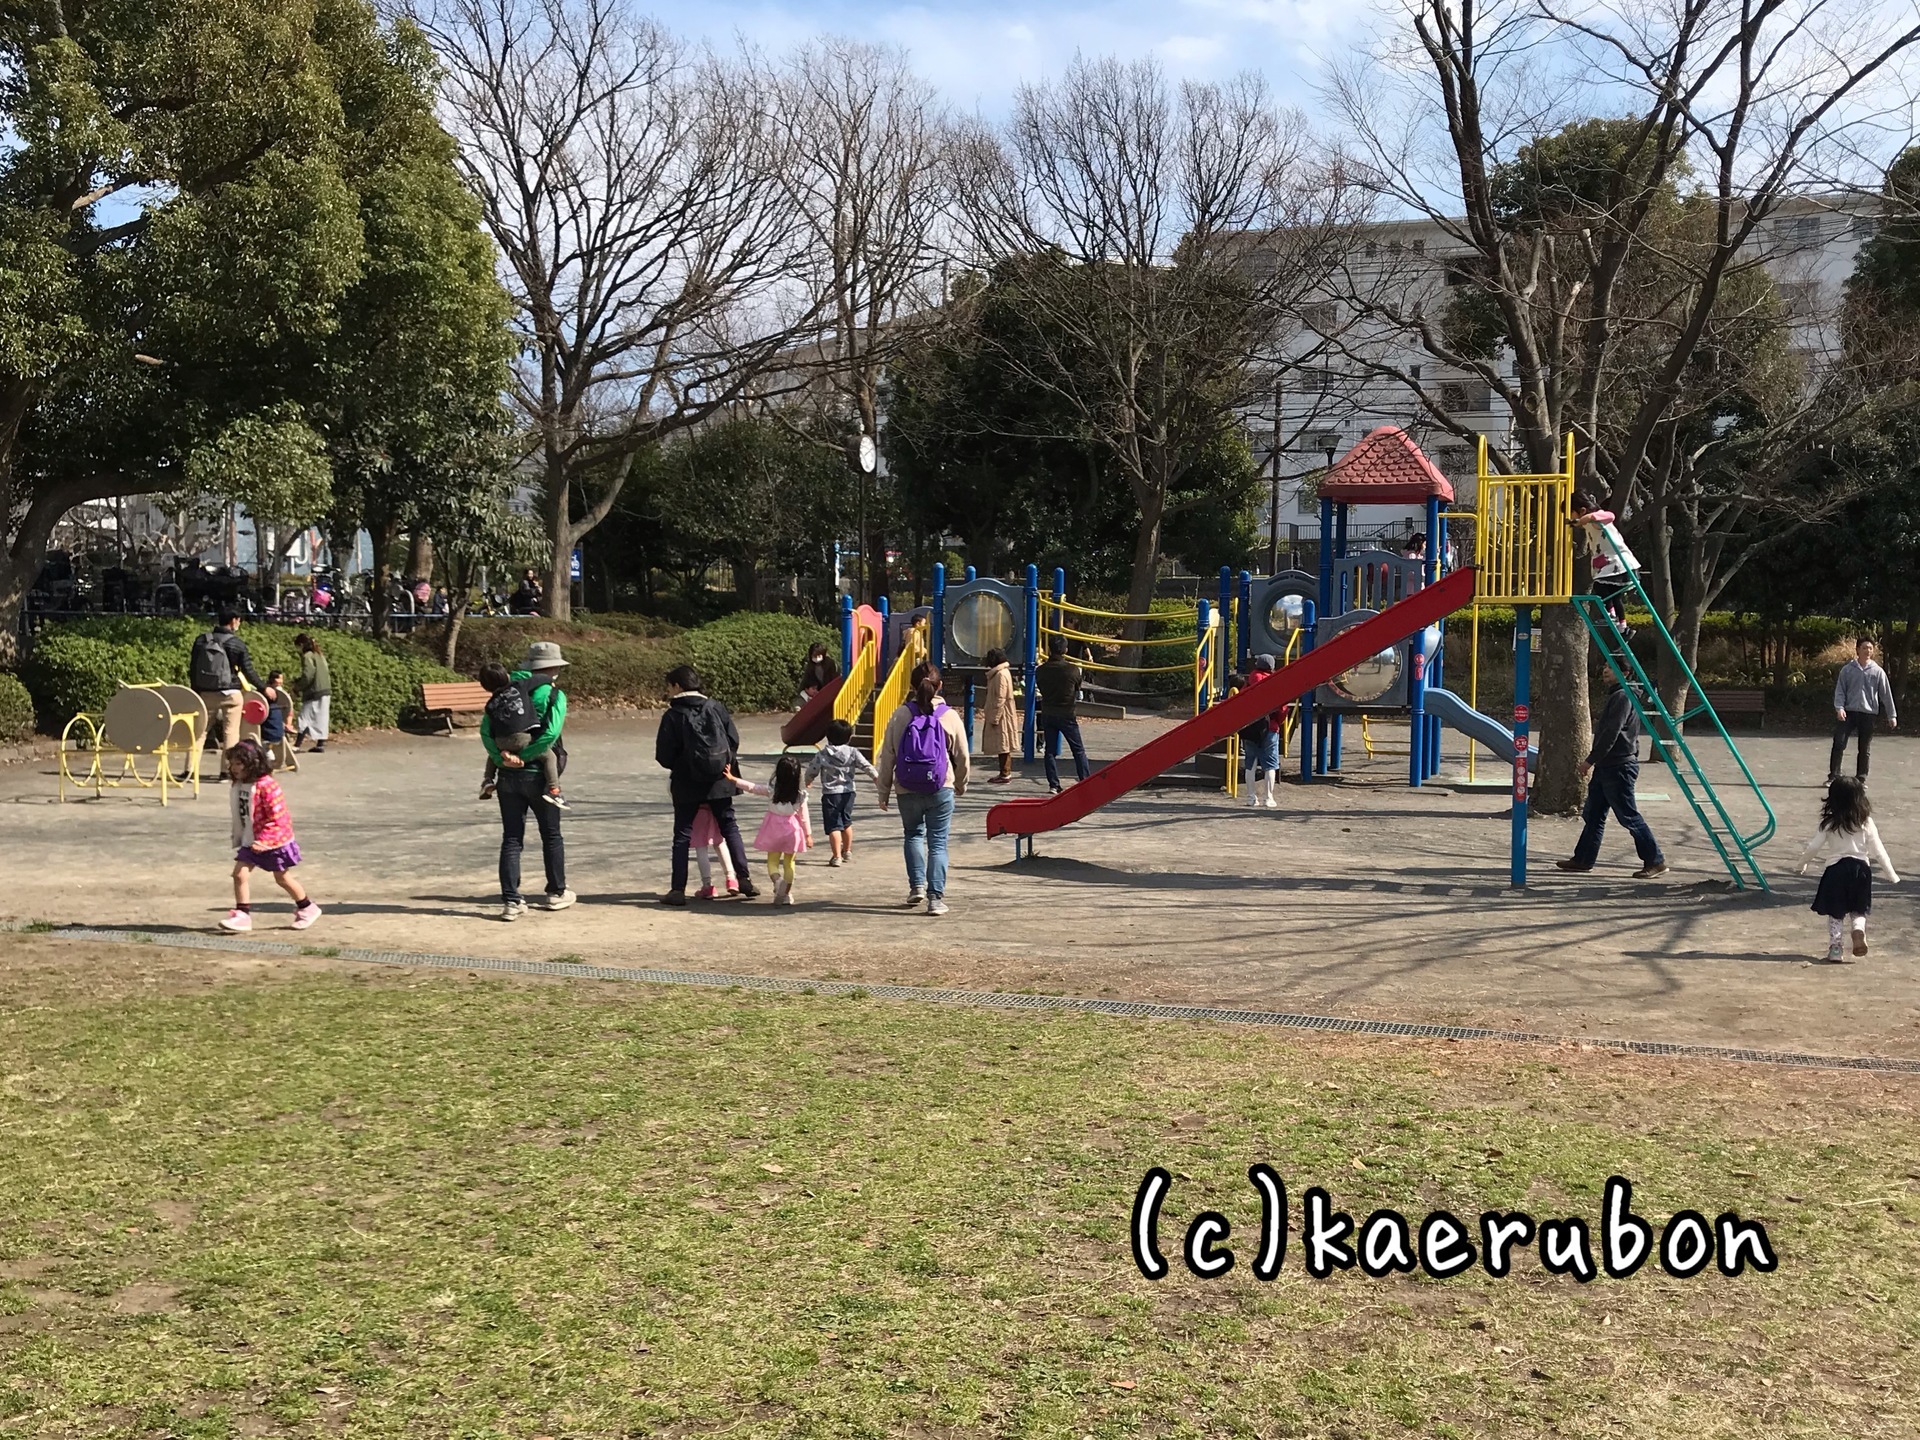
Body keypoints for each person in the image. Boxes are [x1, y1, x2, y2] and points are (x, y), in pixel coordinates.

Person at [482, 641, 574, 920]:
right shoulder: (554, 694)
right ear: (553, 668)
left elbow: (486, 732)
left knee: (511, 838)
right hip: (539, 778)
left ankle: (511, 900)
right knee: (551, 835)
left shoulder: (504, 691)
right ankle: (556, 892)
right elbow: (550, 734)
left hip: (507, 778)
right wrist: (529, 756)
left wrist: (501, 759)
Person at [656, 664, 758, 906]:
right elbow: (733, 739)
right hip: (721, 779)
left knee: (682, 834)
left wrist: (682, 765)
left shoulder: (673, 715)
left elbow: (663, 755)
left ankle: (678, 889)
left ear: (678, 686)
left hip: (687, 782)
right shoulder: (716, 707)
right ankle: (743, 878)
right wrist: (723, 764)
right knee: (729, 828)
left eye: (670, 686)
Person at [876, 663, 970, 915]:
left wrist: (883, 790)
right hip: (940, 787)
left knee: (913, 834)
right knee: (938, 843)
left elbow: (888, 755)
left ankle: (916, 886)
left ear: (911, 686)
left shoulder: (900, 715)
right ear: (940, 686)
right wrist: (960, 783)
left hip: (906, 786)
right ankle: (935, 898)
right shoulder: (949, 716)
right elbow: (962, 756)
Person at [1555, 669, 1666, 879]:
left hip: (1618, 767)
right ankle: (1583, 859)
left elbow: (1611, 733)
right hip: (1607, 766)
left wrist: (1590, 760)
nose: (1605, 670)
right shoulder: (1617, 694)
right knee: (1593, 814)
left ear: (1624, 671)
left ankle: (1655, 860)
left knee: (1629, 816)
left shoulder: (1624, 696)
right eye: (1604, 666)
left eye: (1610, 666)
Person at [220, 740, 321, 933]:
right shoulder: (241, 784)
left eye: (238, 764)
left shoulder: (268, 786)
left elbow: (279, 818)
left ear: (253, 763)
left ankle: (307, 907)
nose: (234, 768)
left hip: (272, 842)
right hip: (251, 840)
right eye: (231, 764)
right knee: (239, 874)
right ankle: (243, 915)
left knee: (282, 878)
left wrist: (265, 840)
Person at [1796, 776, 1899, 962]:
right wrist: (1891, 875)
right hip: (1861, 871)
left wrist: (1802, 864)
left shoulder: (1828, 823)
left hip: (1835, 871)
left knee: (1836, 912)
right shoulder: (1866, 822)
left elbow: (1813, 847)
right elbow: (1879, 851)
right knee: (1858, 909)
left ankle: (1836, 949)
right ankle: (1858, 929)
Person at [476, 660, 566, 809]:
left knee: (493, 754)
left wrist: (500, 758)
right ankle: (554, 790)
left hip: (501, 741)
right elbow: (539, 679)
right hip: (522, 739)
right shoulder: (519, 686)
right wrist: (550, 680)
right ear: (506, 675)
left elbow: (486, 732)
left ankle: (488, 779)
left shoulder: (490, 704)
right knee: (550, 756)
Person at [190, 610, 265, 762]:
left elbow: (193, 668)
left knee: (200, 732)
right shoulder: (236, 643)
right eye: (238, 620)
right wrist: (263, 688)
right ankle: (228, 770)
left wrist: (196, 690)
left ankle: (190, 771)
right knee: (231, 732)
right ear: (233, 621)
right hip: (231, 693)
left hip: (206, 693)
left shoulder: (201, 640)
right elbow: (248, 670)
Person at [740, 753, 813, 907]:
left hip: (773, 829)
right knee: (789, 863)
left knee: (772, 862)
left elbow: (752, 788)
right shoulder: (800, 796)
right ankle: (786, 894)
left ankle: (777, 881)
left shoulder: (772, 791)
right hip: (792, 831)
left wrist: (734, 780)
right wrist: (808, 835)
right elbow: (804, 817)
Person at [805, 717, 878, 866]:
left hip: (831, 793)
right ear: (848, 737)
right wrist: (876, 777)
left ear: (828, 736)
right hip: (848, 792)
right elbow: (866, 766)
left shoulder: (823, 754)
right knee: (846, 822)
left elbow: (812, 769)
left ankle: (836, 856)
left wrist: (808, 780)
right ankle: (847, 850)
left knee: (833, 825)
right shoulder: (852, 752)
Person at [1830, 638, 1898, 785]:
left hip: (1868, 713)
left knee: (1864, 747)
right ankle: (1834, 776)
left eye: (1870, 648)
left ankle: (1861, 778)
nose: (1868, 651)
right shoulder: (1847, 670)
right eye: (1864, 648)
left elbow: (1886, 694)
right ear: (1857, 650)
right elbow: (1840, 690)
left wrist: (1891, 715)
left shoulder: (1878, 672)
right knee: (1839, 743)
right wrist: (1839, 707)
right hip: (1849, 712)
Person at [1571, 498, 1640, 626]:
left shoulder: (1597, 520)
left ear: (1582, 511)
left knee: (1600, 585)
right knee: (1615, 595)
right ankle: (1623, 626)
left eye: (1571, 514)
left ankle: (1611, 613)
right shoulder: (1589, 524)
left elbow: (1610, 515)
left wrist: (1589, 516)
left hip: (1618, 563)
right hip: (1612, 563)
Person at [1035, 644, 1091, 794]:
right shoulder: (1072, 669)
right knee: (1078, 749)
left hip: (1048, 712)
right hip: (1067, 713)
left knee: (1050, 751)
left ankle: (1053, 784)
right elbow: (1077, 687)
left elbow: (1040, 686)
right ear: (1065, 650)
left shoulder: (1040, 670)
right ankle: (1085, 780)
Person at [1239, 652, 1285, 810]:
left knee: (1250, 764)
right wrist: (1277, 722)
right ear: (1271, 667)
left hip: (1250, 727)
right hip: (1270, 727)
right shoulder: (1275, 683)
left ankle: (1251, 797)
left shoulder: (1248, 682)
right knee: (1270, 765)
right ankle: (1269, 798)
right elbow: (1282, 708)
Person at [981, 647, 1018, 783]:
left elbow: (1000, 698)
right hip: (1003, 712)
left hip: (1002, 714)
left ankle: (1005, 773)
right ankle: (1004, 772)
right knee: (1002, 743)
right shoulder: (1001, 673)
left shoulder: (1000, 675)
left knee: (1003, 743)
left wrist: (995, 716)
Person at [294, 634, 330, 752]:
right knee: (322, 718)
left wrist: (297, 687)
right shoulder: (319, 655)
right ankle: (320, 744)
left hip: (314, 690)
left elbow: (308, 675)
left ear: (301, 645)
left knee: (304, 717)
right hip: (325, 689)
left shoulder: (307, 656)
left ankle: (297, 745)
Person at [258, 670, 297, 772]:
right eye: (278, 678)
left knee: (261, 741)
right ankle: (275, 758)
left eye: (282, 679)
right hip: (280, 734)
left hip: (270, 735)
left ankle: (268, 757)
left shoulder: (270, 699)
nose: (281, 681)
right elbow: (289, 710)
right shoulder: (279, 703)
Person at [798, 642, 839, 708]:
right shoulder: (810, 666)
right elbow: (806, 679)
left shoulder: (830, 663)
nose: (816, 658)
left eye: (818, 656)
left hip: (830, 691)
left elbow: (834, 677)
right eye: (814, 656)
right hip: (818, 692)